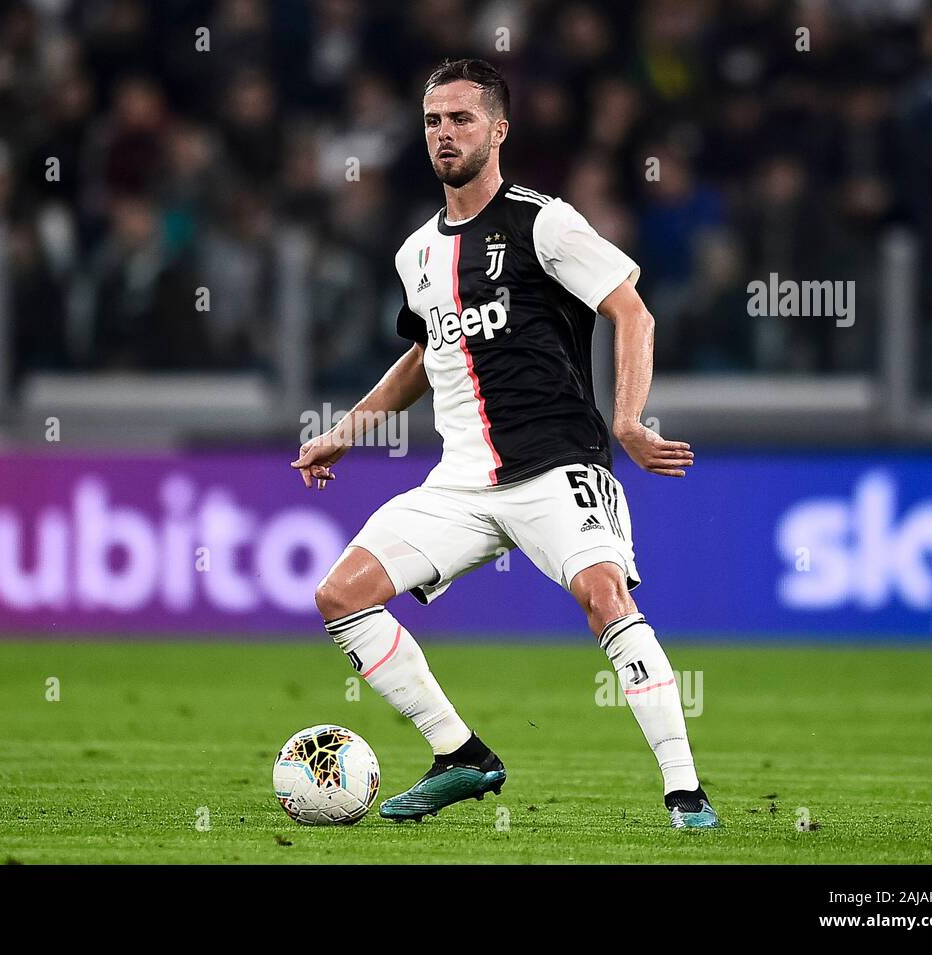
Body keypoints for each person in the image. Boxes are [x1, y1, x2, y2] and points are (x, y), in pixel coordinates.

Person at [291, 59, 717, 828]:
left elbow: (633, 312)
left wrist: (627, 420)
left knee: (604, 596)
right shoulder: (417, 252)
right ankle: (462, 755)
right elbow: (426, 354)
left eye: (460, 119)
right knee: (339, 596)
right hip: (461, 479)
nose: (445, 133)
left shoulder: (543, 221)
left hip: (556, 463)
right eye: (432, 121)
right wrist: (345, 432)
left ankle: (685, 792)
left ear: (498, 129)